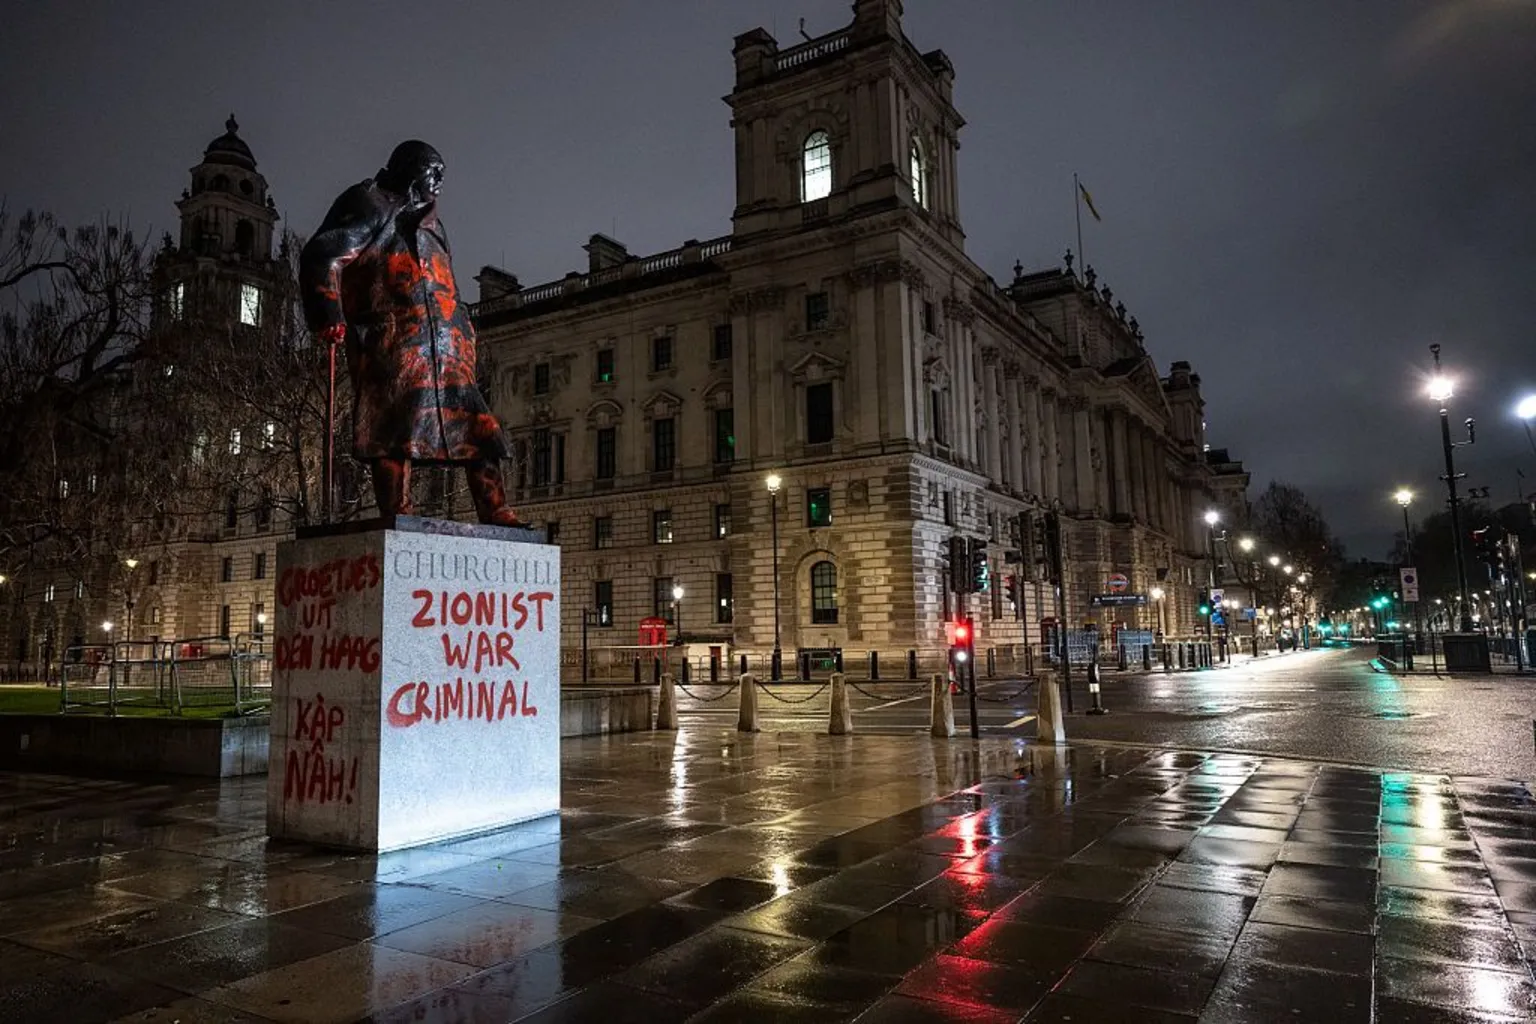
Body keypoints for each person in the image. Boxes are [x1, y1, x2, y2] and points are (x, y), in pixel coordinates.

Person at [300, 141, 521, 526]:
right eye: (433, 171)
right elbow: (324, 255)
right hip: (393, 340)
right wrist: (328, 311)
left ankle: (495, 508)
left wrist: (463, 330)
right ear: (410, 169)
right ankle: (397, 510)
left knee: (479, 428)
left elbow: (446, 282)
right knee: (392, 428)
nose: (439, 181)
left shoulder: (435, 226)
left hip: (447, 349)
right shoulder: (369, 203)